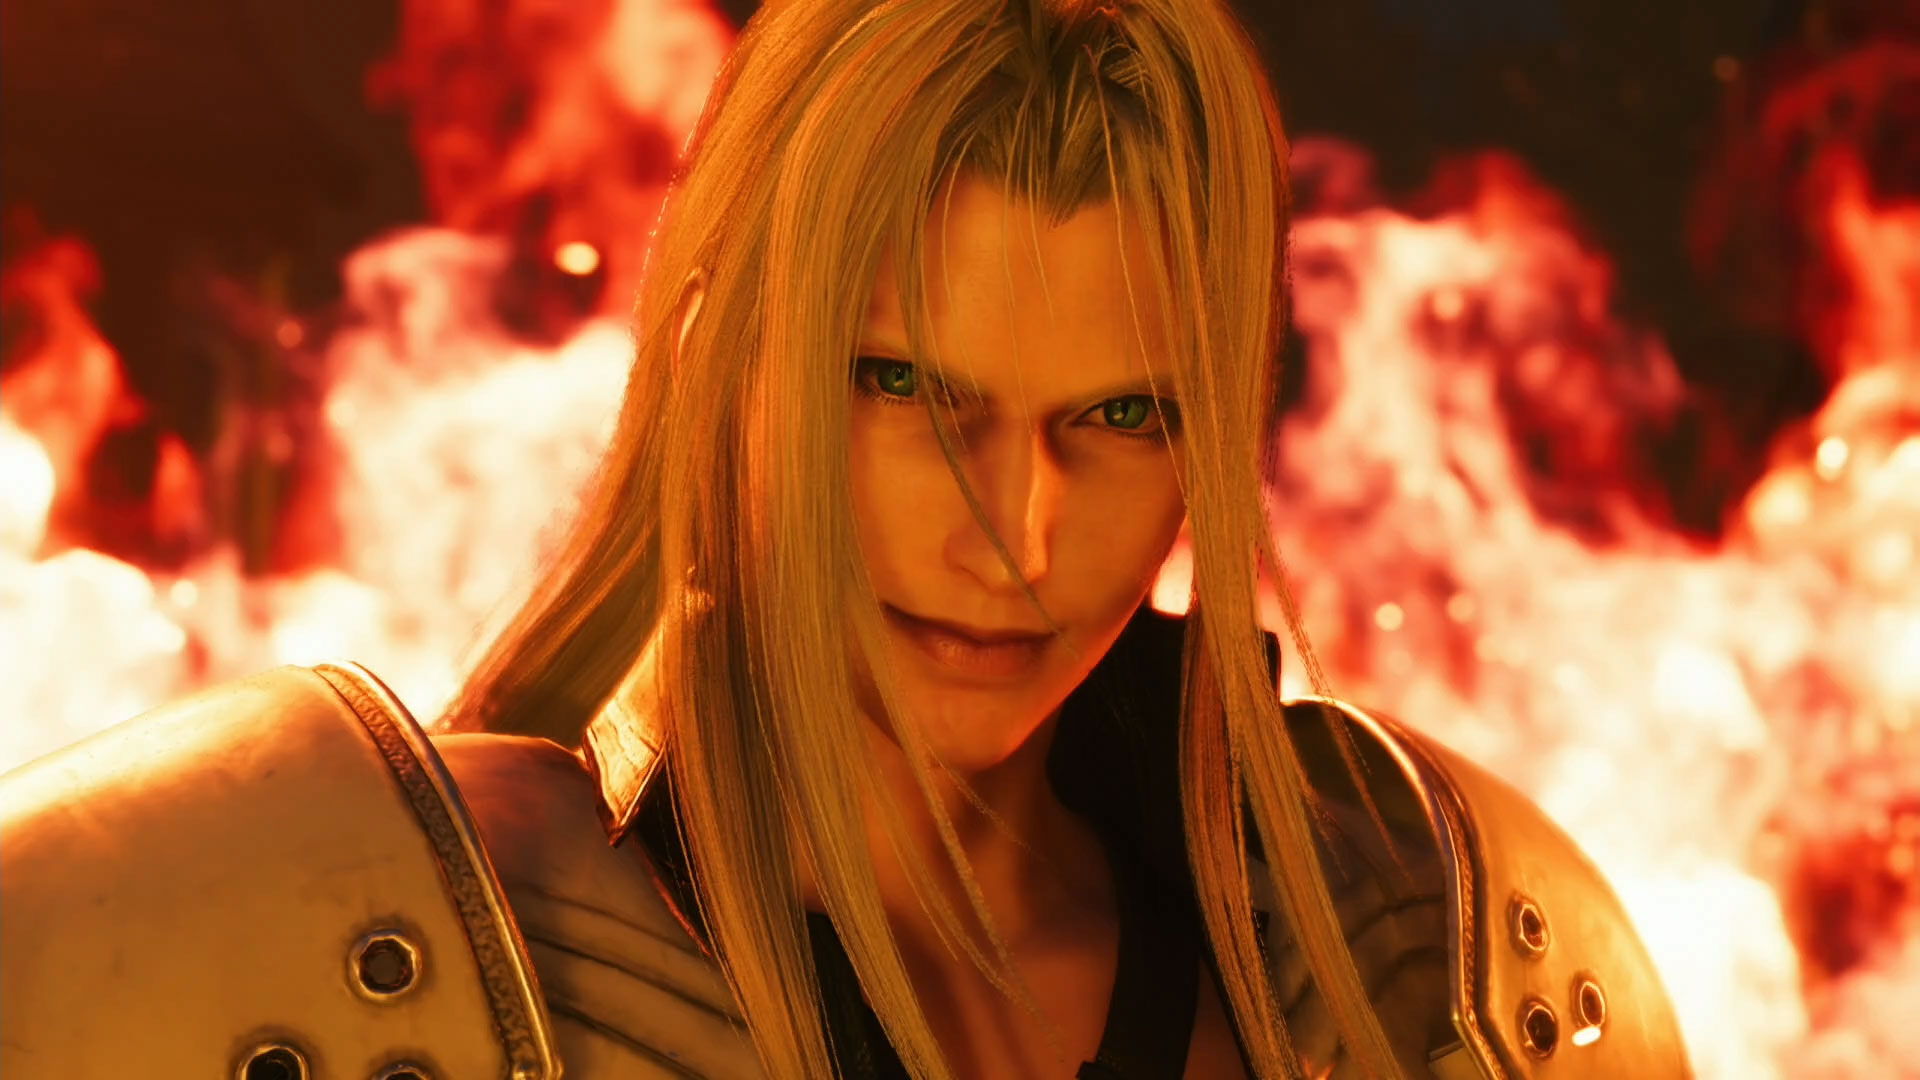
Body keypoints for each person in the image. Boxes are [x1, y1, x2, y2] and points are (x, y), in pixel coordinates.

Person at [0, 1, 1691, 1077]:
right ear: (722, 358)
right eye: (906, 389)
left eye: (1122, 416)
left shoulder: (1444, 966)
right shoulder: (292, 938)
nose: (1014, 536)